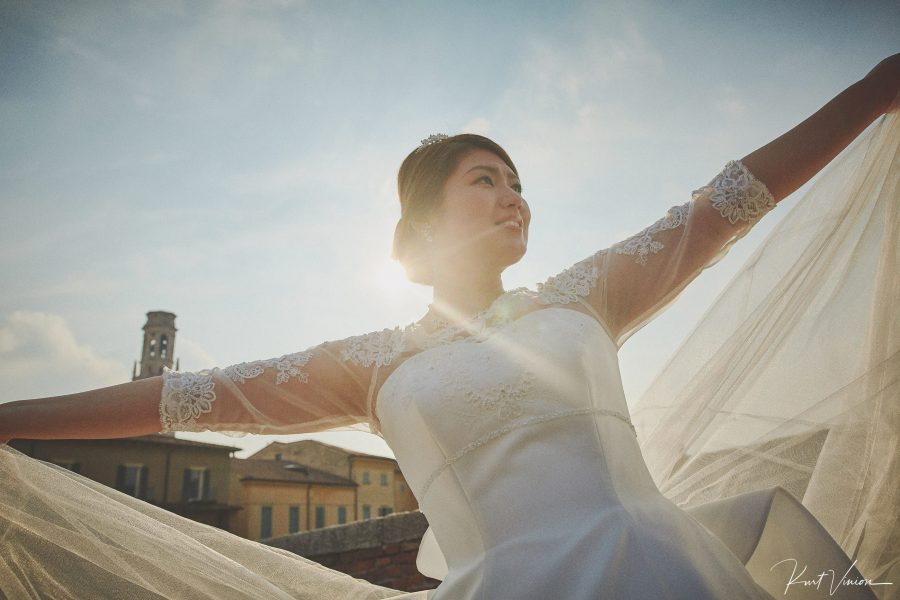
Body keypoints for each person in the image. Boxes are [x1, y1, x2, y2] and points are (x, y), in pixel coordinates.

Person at [1, 55, 898, 600]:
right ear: (421, 224)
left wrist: (871, 90)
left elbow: (728, 201)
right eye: (485, 179)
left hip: (661, 575)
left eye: (518, 182)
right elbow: (175, 397)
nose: (514, 196)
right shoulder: (368, 367)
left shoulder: (582, 297)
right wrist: (9, 420)